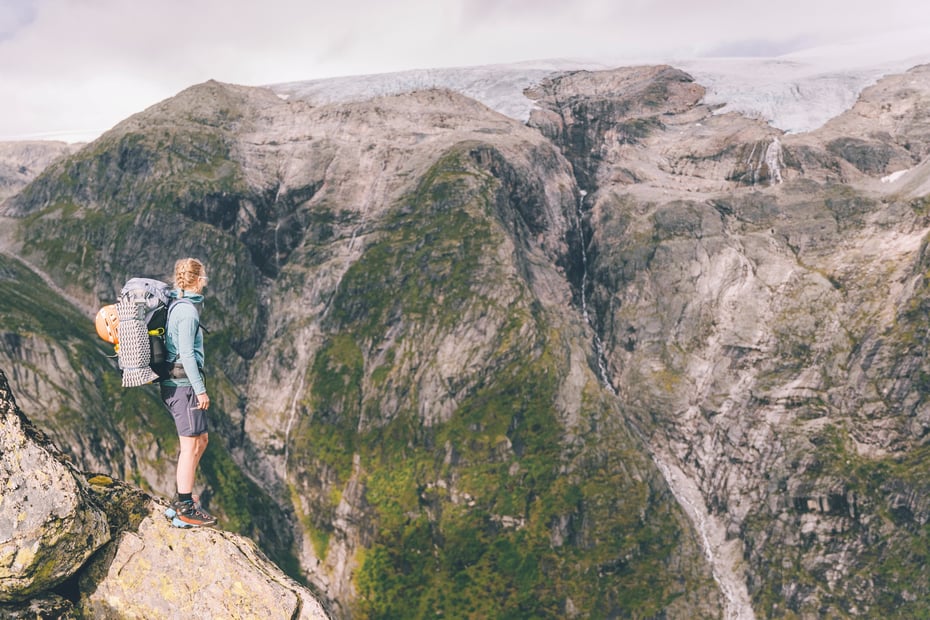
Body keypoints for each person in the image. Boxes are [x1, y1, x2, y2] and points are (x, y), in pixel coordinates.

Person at [160, 257, 217, 526]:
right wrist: (201, 390)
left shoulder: (178, 304)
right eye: (204, 277)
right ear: (197, 279)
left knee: (201, 440)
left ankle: (180, 498)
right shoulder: (187, 312)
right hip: (183, 387)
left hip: (180, 386)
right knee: (190, 445)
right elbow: (187, 355)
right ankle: (184, 507)